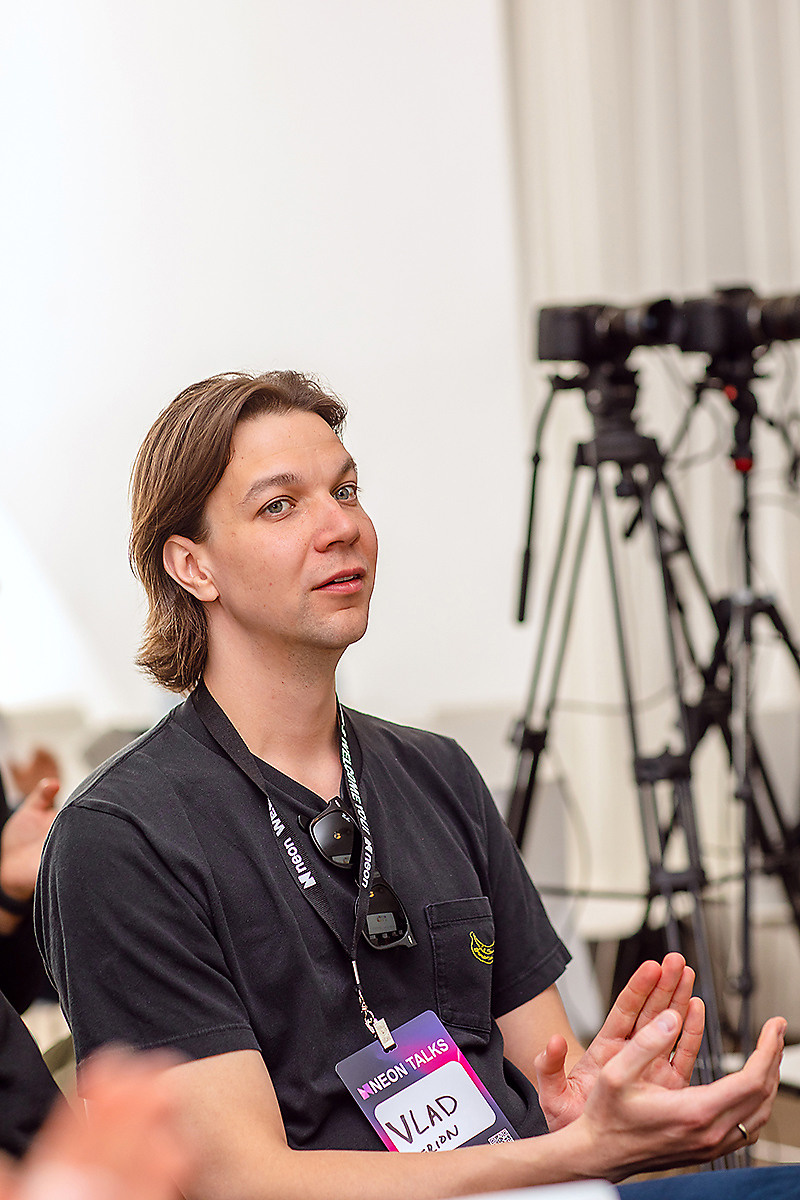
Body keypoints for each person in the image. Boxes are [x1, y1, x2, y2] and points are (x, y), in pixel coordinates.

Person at [35, 372, 790, 1198]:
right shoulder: (121, 837)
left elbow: (551, 1077)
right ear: (193, 566)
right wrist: (574, 1156)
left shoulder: (438, 773)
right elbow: (241, 1183)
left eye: (346, 489)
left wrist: (594, 1108)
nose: (341, 527)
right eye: (280, 506)